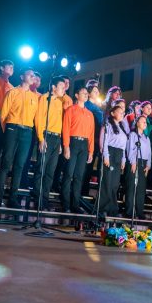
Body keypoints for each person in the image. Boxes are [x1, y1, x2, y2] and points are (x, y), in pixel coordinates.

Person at [0, 69, 38, 208]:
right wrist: (7, 131)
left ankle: (12, 199)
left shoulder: (35, 97)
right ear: (22, 76)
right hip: (12, 128)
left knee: (19, 165)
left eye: (34, 75)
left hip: (27, 131)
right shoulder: (12, 92)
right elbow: (3, 115)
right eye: (30, 74)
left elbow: (36, 118)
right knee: (6, 163)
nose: (32, 77)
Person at [31, 76, 66, 211]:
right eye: (61, 87)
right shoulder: (45, 98)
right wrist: (41, 138)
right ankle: (37, 198)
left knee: (50, 171)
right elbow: (39, 118)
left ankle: (45, 200)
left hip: (57, 138)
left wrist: (61, 143)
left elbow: (59, 123)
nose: (64, 89)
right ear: (54, 87)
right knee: (41, 169)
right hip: (46, 136)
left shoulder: (60, 102)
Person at [61, 85, 95, 213]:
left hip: (84, 145)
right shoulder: (70, 110)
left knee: (79, 176)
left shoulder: (90, 114)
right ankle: (65, 204)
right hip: (73, 142)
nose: (86, 95)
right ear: (76, 95)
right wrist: (66, 146)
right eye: (83, 92)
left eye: (87, 93)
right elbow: (66, 128)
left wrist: (91, 151)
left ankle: (75, 204)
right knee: (68, 173)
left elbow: (91, 133)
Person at [96, 102, 129, 217]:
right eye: (119, 112)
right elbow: (104, 141)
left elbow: (124, 146)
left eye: (123, 113)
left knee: (115, 183)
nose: (122, 114)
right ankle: (103, 208)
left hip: (119, 155)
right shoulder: (108, 125)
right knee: (107, 181)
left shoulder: (122, 127)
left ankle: (113, 208)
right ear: (112, 113)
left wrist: (124, 159)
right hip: (110, 152)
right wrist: (106, 155)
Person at [125, 115, 151, 220]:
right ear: (137, 123)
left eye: (145, 122)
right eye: (143, 121)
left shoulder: (147, 138)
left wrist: (148, 165)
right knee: (131, 187)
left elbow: (149, 153)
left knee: (141, 188)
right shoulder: (133, 135)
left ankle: (139, 211)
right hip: (134, 161)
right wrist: (133, 162)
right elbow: (129, 149)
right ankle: (129, 211)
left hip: (143, 163)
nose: (145, 123)